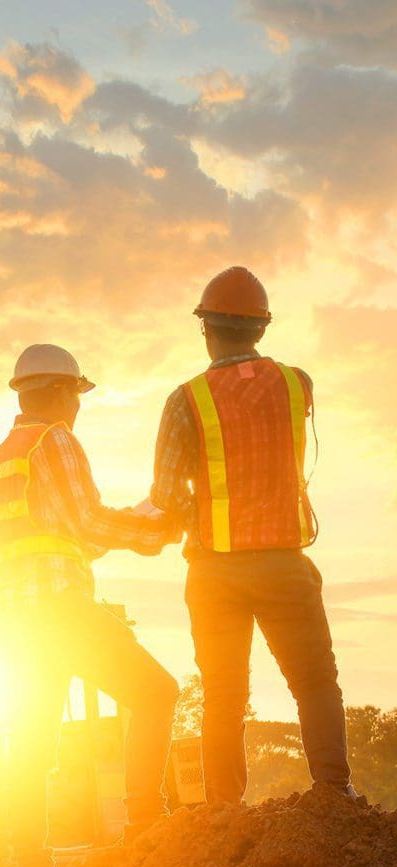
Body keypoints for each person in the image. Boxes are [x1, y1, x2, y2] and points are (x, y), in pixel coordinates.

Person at [150, 266, 354, 804]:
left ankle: (222, 811)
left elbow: (168, 498)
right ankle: (335, 795)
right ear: (262, 328)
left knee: (222, 694)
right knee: (314, 682)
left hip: (214, 570)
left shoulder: (184, 401)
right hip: (284, 563)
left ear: (205, 329)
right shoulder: (297, 383)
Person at [0, 343, 180, 867]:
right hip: (61, 611)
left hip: (13, 623)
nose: (78, 406)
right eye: (77, 394)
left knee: (30, 742)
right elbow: (89, 526)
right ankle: (144, 820)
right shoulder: (57, 441)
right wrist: (156, 528)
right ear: (61, 392)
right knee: (158, 693)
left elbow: (58, 538)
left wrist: (125, 528)